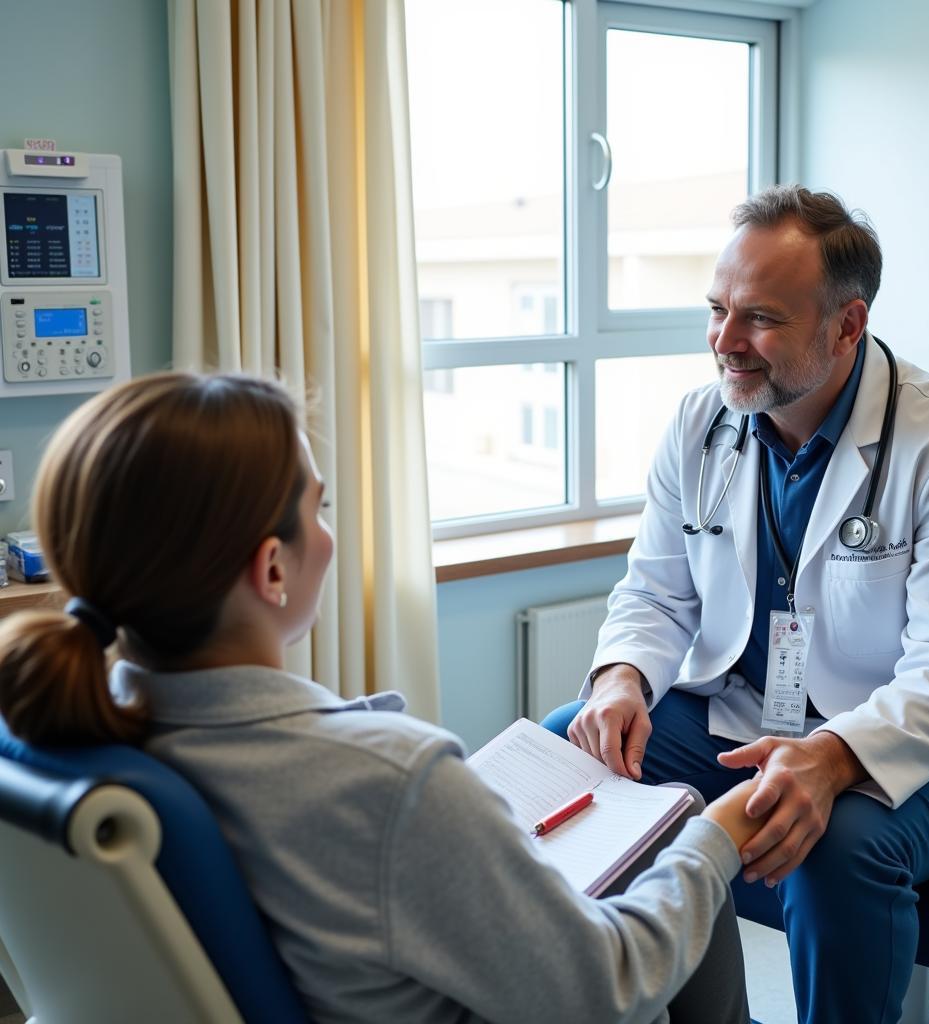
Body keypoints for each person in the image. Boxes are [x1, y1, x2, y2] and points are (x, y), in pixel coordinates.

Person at [0, 372, 765, 1024]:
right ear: (272, 569)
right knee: (678, 843)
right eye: (318, 510)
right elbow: (604, 990)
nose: (328, 537)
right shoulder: (386, 782)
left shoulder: (60, 727)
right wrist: (717, 839)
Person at [543, 185, 929, 1023]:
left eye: (760, 318)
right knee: (570, 752)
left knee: (836, 844)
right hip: (745, 714)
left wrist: (835, 757)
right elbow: (655, 591)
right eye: (717, 310)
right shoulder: (702, 422)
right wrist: (621, 677)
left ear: (847, 324)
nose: (725, 342)